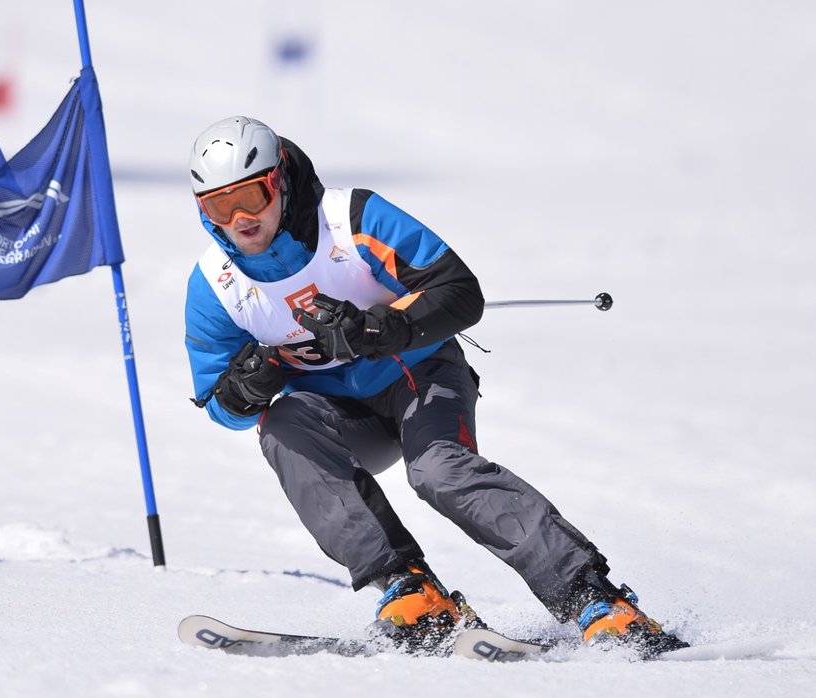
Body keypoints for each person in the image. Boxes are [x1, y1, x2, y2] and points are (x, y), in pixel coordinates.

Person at [183, 115, 687, 657]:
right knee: (280, 426)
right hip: (339, 416)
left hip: (417, 376)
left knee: (438, 471)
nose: (240, 219)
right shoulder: (217, 286)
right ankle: (410, 591)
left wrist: (381, 328)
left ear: (278, 180)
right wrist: (249, 388)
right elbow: (221, 405)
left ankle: (595, 599)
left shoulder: (349, 219)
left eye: (252, 198)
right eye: (218, 206)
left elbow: (460, 292)